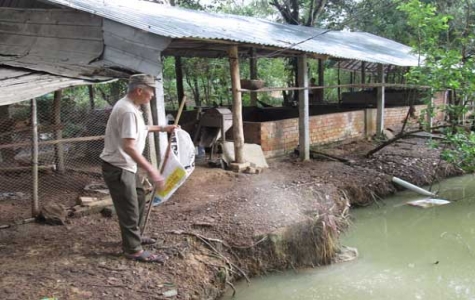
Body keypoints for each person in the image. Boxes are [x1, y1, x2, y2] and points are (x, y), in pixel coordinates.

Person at [100, 74, 178, 263]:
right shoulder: (127, 111)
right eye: (151, 92)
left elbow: (139, 129)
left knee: (139, 197)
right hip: (119, 166)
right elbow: (129, 146)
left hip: (126, 165)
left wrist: (161, 128)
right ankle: (133, 250)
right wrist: (151, 170)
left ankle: (135, 236)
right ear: (139, 90)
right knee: (129, 207)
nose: (152, 96)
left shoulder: (131, 106)